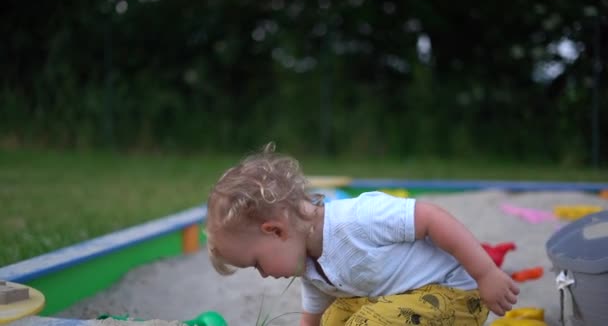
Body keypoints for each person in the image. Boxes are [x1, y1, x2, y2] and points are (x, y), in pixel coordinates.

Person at [205, 143, 519, 326]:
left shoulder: (355, 220)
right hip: (405, 301)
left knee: (366, 323)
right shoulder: (310, 267)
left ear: (275, 231)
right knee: (335, 317)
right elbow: (312, 317)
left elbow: (430, 217)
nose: (262, 275)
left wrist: (486, 273)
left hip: (457, 294)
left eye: (256, 263)